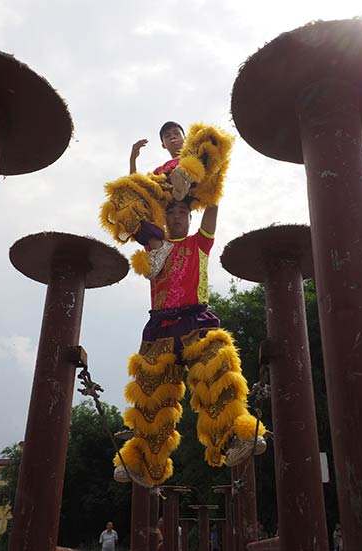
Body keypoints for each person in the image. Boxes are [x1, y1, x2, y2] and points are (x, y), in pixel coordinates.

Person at [102, 121, 267, 488]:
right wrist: (131, 162)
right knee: (149, 398)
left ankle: (236, 437)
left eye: (181, 214)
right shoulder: (154, 246)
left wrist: (209, 183)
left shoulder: (200, 244)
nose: (176, 217)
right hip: (159, 328)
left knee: (219, 372)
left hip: (196, 321)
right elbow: (132, 204)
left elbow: (212, 206)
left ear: (189, 218)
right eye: (171, 213)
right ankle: (142, 461)